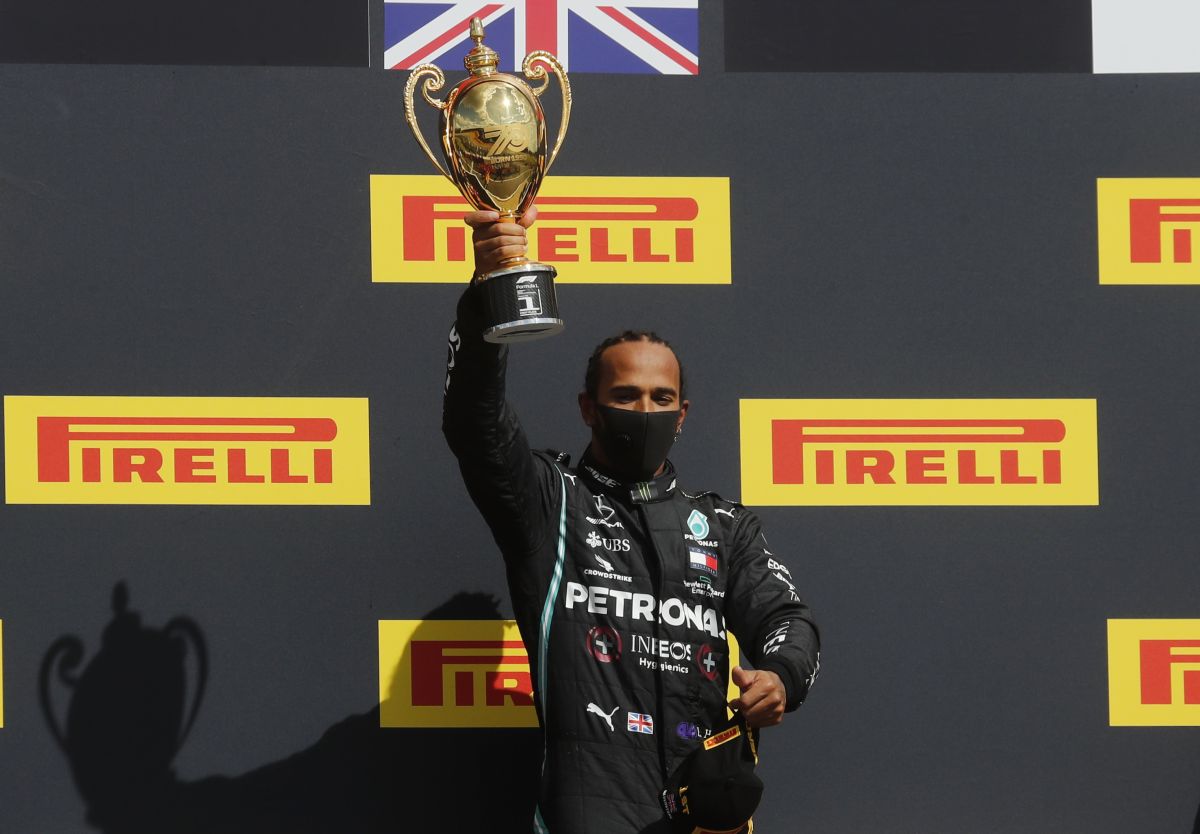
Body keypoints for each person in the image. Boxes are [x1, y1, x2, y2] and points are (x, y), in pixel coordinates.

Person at [442, 206, 820, 834]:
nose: (645, 410)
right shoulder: (550, 501)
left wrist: (780, 677)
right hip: (591, 806)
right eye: (625, 396)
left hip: (707, 812)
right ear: (588, 408)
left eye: (661, 398)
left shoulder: (723, 527)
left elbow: (789, 620)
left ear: (683, 412)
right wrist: (489, 295)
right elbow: (473, 422)